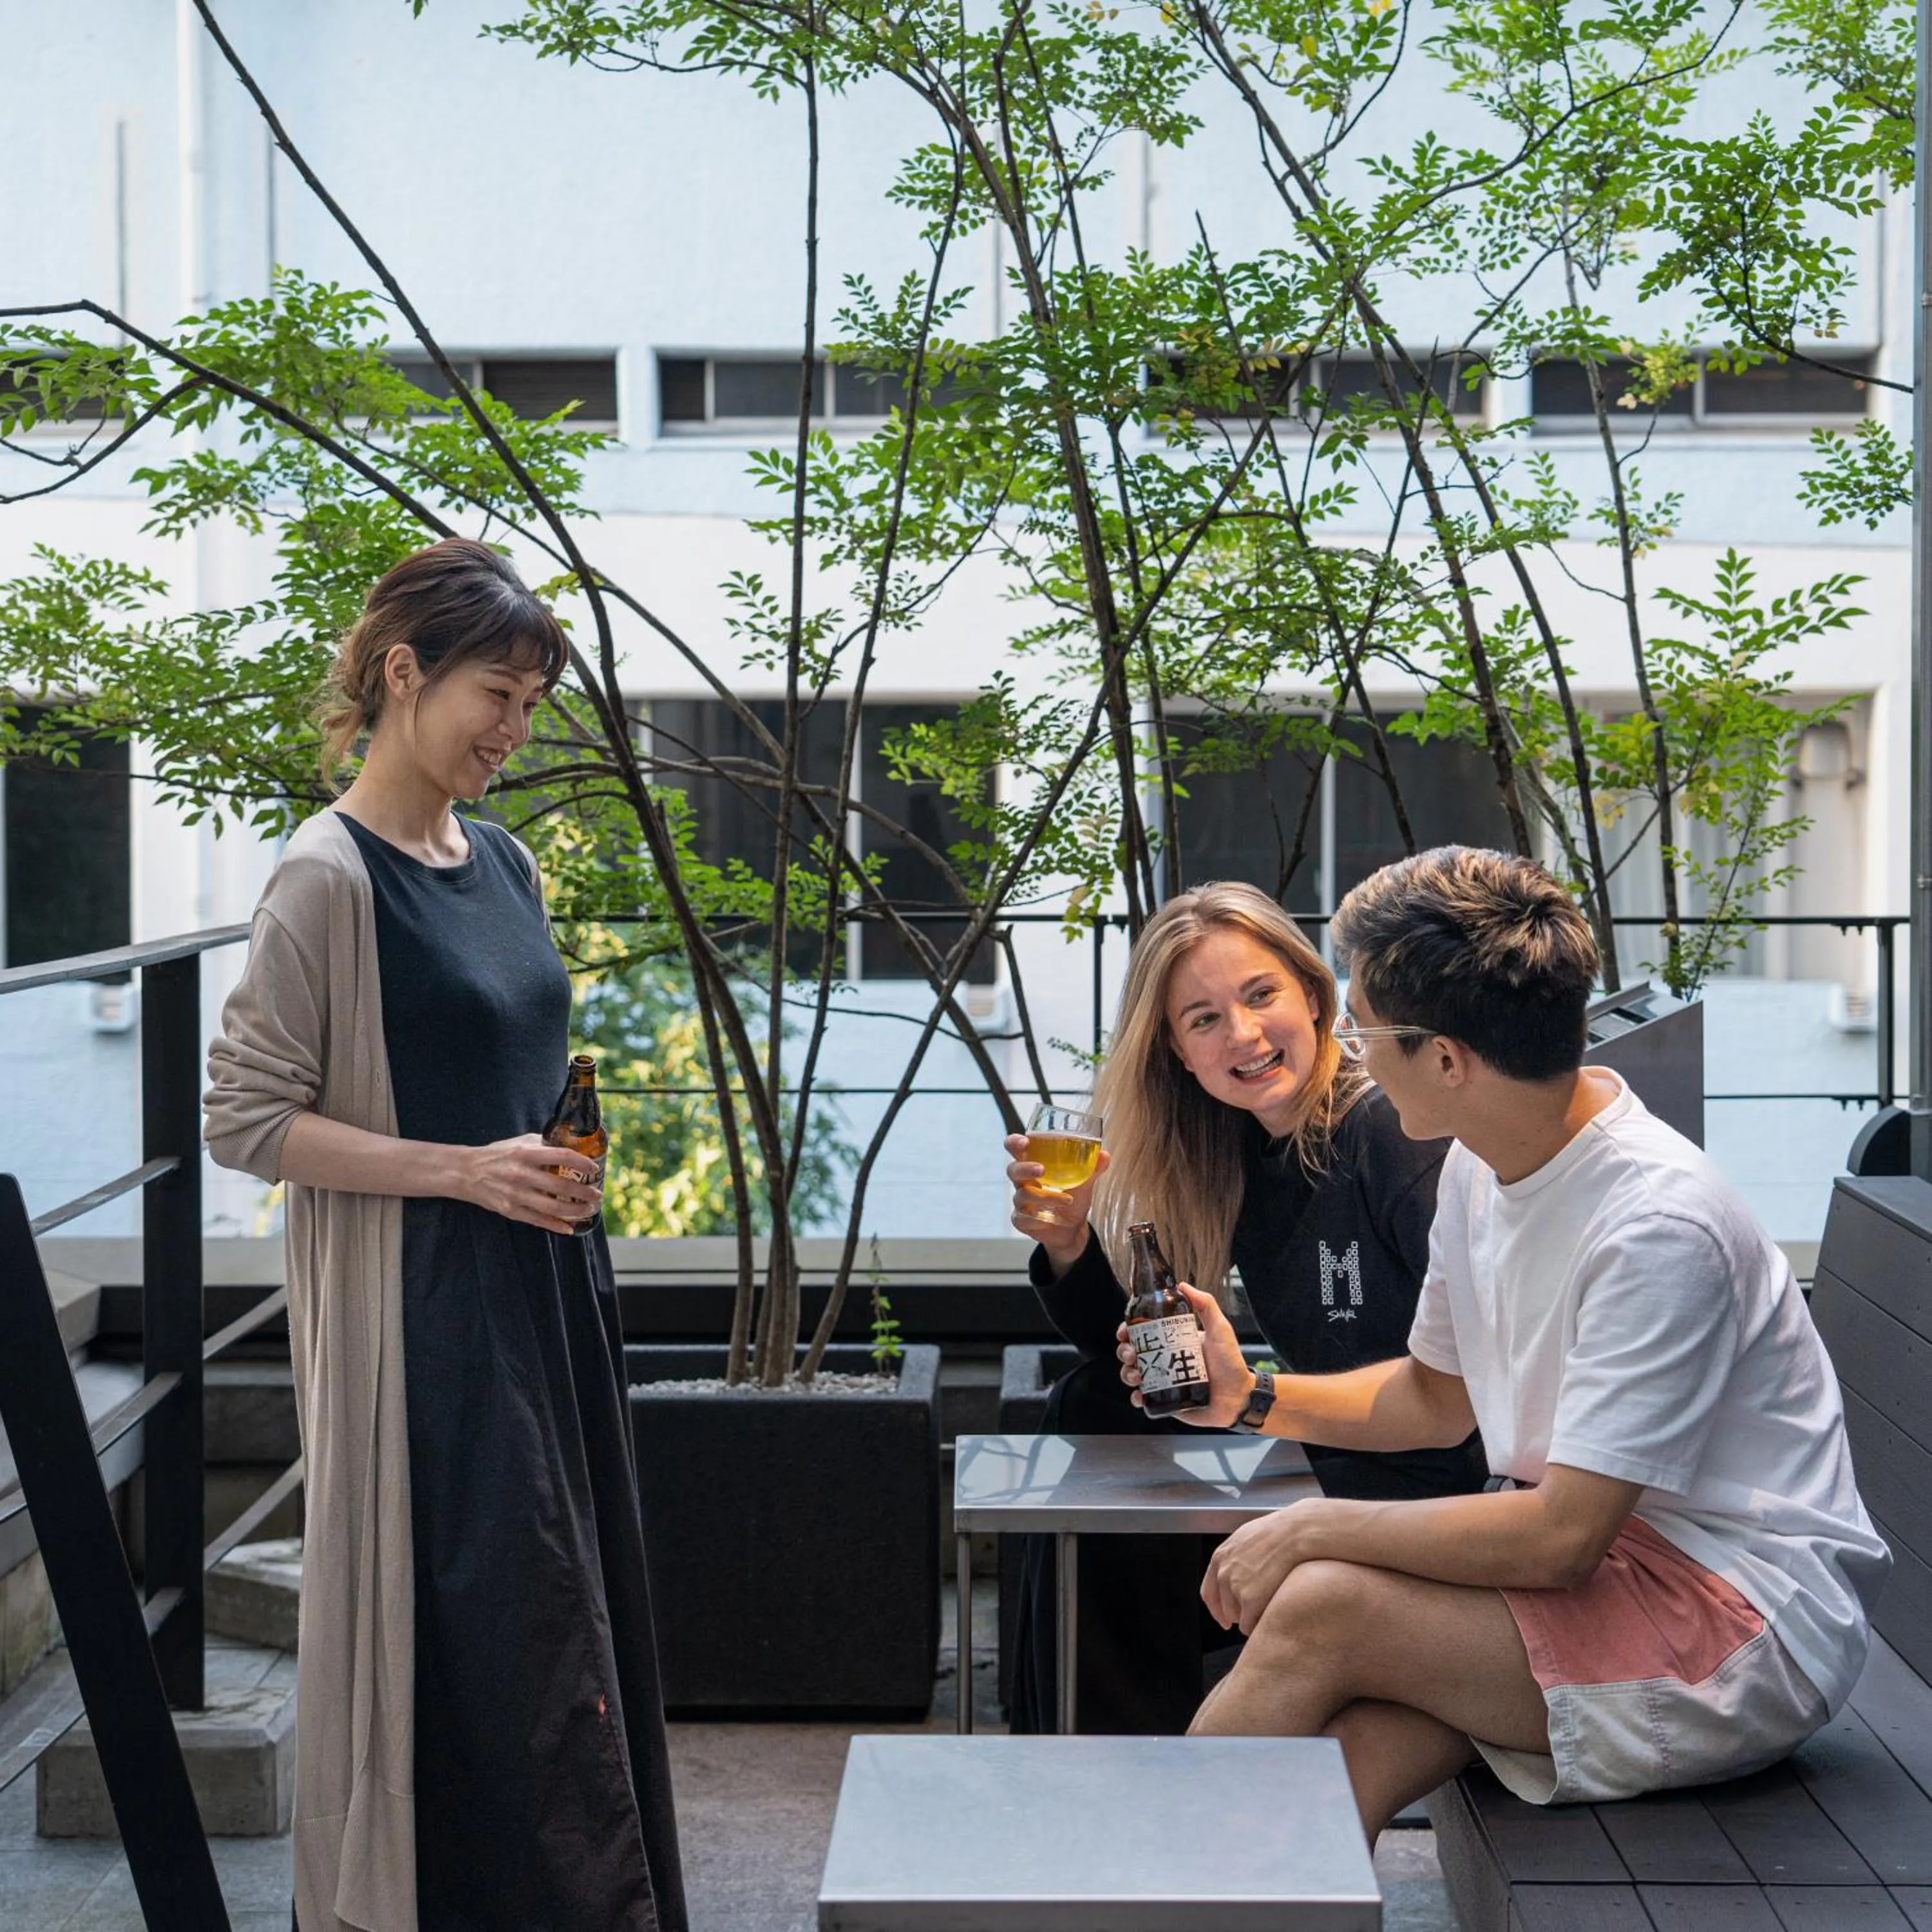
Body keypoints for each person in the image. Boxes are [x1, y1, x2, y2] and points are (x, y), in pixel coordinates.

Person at [1122, 847, 1890, 1834]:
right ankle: (1173, 1890)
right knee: (1341, 1761)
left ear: (1445, 1058)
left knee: (1323, 1606)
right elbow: (1434, 1399)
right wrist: (1253, 1397)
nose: (1345, 1042)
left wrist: (1311, 1528)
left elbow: (1564, 1538)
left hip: (1744, 1627)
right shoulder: (1486, 1164)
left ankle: (1135, 1880)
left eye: (1363, 1022)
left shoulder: (1656, 1225)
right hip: (1615, 1571)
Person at [204, 540, 687, 1932]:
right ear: (402, 674)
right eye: (500, 693)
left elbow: (523, 1069)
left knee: (571, 1616)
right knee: (497, 1634)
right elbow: (245, 1119)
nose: (516, 731)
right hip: (425, 1319)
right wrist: (464, 1173)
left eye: (534, 703)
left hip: (544, 1294)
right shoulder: (325, 879)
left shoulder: (507, 860)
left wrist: (560, 1163)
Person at [1003, 881, 1488, 1733]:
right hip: (1336, 1456)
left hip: (1437, 1488)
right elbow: (1151, 1369)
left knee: (1118, 1547)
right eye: (1204, 1019)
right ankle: (1078, 1746)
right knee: (1092, 1402)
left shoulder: (1390, 1134)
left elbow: (1474, 1396)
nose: (1245, 1034)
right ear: (1178, 1054)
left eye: (1260, 995)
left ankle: (1113, 1763)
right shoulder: (1235, 1152)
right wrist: (1073, 1241)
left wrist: (1256, 1399)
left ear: (1313, 992)